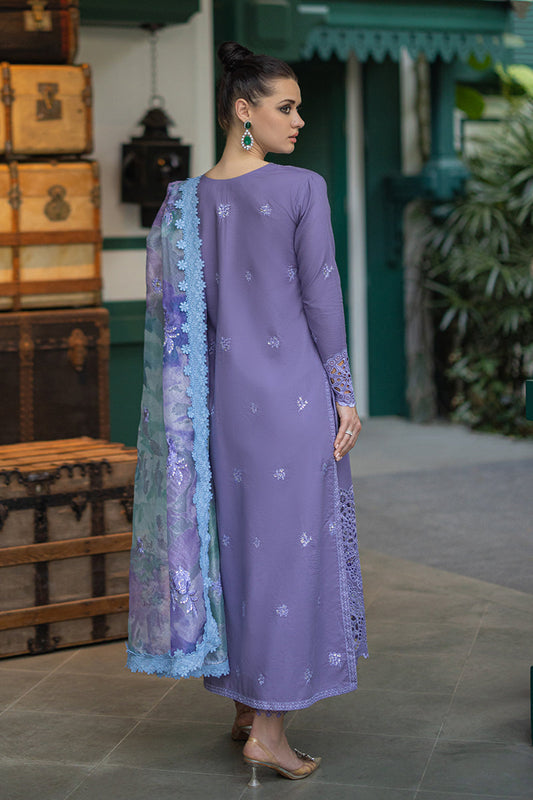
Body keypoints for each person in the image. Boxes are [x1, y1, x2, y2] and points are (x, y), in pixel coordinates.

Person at [127, 41, 367, 785]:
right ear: (243, 110)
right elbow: (320, 295)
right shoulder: (301, 188)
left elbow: (178, 320)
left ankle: (241, 707)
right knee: (287, 560)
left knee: (234, 553)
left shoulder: (182, 203)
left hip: (218, 411)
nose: (298, 120)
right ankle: (269, 732)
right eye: (285, 107)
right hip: (291, 402)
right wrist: (343, 391)